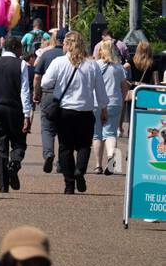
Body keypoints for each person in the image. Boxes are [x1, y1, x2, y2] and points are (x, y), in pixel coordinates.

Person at [40, 31, 108, 194]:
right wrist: (103, 109)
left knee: (65, 147)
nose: (62, 46)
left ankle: (69, 184)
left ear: (69, 45)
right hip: (85, 111)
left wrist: (58, 84)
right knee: (84, 145)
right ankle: (80, 171)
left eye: (64, 43)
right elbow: (101, 91)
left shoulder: (59, 62)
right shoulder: (92, 65)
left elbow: (45, 82)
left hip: (64, 111)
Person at [0, 37, 32, 193]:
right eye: (20, 48)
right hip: (15, 108)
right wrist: (27, 114)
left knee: (1, 146)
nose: (22, 51)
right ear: (15, 47)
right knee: (19, 142)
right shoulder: (21, 64)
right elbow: (25, 91)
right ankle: (14, 163)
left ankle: (3, 185)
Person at [92, 39, 129, 175]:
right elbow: (124, 87)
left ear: (101, 51)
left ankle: (97, 165)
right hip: (114, 102)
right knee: (111, 133)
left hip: (96, 103)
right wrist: (122, 98)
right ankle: (111, 156)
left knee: (97, 135)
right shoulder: (119, 67)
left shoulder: (95, 66)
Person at [33, 31, 65, 173]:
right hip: (66, 96)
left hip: (48, 94)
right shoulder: (71, 57)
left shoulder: (46, 55)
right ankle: (62, 162)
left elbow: (37, 76)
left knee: (47, 128)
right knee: (64, 130)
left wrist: (36, 93)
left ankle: (48, 154)